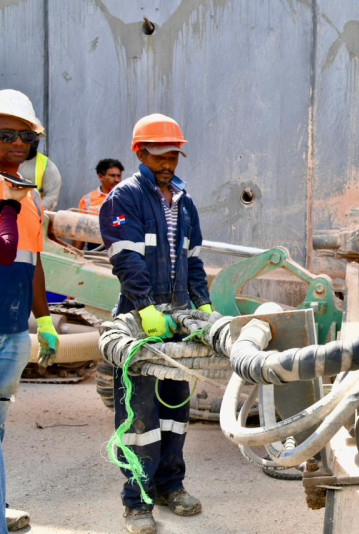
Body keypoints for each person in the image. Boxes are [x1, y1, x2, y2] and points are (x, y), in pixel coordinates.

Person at [99, 113, 211, 534]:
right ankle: (137, 502)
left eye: (173, 156)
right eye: (159, 156)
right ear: (140, 153)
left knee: (175, 412)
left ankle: (171, 485)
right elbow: (125, 259)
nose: (168, 163)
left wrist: (204, 308)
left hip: (179, 321)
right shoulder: (124, 198)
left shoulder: (184, 201)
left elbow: (193, 260)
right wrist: (146, 308)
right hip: (139, 323)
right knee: (139, 418)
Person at [0, 89, 60, 533]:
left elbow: (33, 262)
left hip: (13, 333)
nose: (18, 142)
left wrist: (43, 321)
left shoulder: (30, 196)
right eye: (6, 134)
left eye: (26, 135)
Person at [72, 159, 124, 251]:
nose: (117, 180)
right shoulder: (87, 199)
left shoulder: (126, 198)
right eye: (112, 176)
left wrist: (107, 222)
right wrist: (74, 256)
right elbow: (80, 230)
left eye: (119, 176)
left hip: (120, 246)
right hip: (95, 248)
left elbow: (127, 222)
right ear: (100, 176)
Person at [17, 137, 62, 211]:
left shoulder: (47, 166)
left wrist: (36, 212)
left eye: (35, 136)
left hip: (31, 217)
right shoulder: (5, 161)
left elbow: (51, 197)